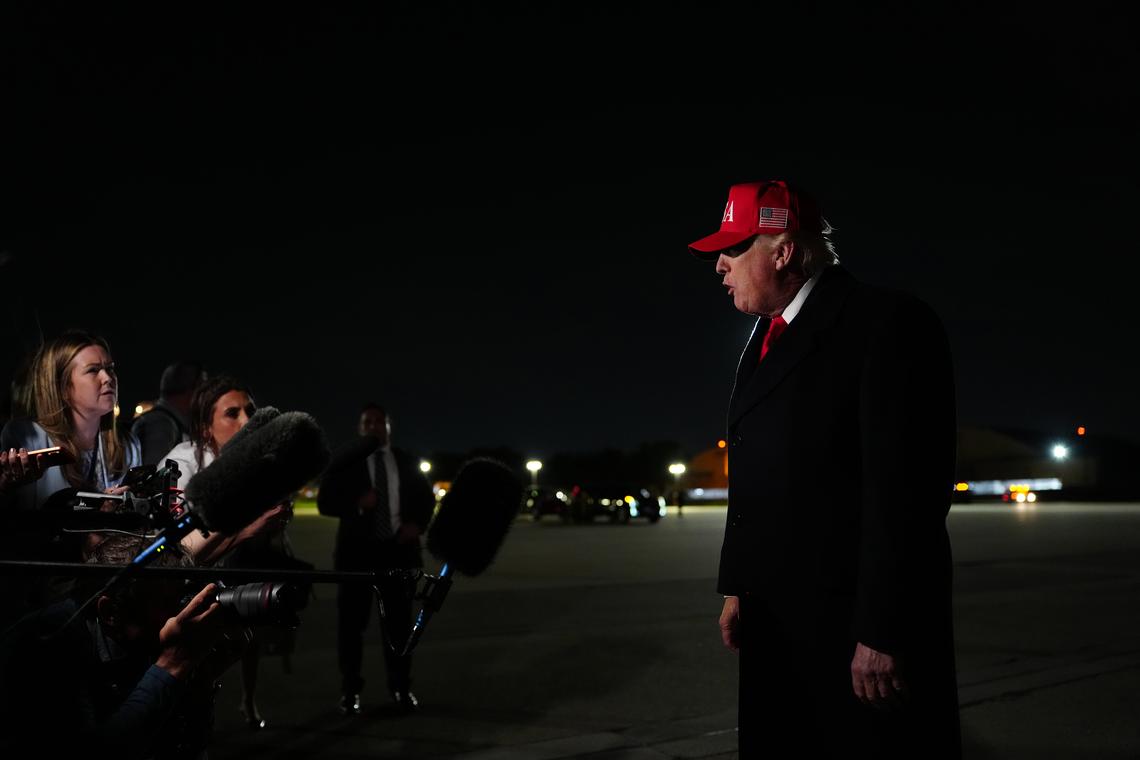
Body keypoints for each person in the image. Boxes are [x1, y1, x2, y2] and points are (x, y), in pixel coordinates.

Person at [688, 180, 960, 758]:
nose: (720, 266)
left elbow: (907, 493)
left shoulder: (885, 323)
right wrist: (738, 586)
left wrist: (884, 629)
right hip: (776, 619)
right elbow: (760, 475)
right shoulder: (763, 338)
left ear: (782, 251)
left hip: (850, 628)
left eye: (734, 250)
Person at [0, 533, 244, 759]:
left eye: (180, 598)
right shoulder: (47, 647)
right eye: (167, 602)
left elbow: (175, 746)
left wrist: (201, 682)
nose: (178, 615)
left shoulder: (137, 637)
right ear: (110, 612)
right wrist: (172, 665)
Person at [158, 374, 296, 730]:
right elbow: (179, 554)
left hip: (230, 578)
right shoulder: (182, 464)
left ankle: (243, 702)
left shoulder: (254, 465)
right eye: (231, 414)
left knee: (240, 648)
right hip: (173, 598)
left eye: (250, 411)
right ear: (205, 427)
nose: (247, 422)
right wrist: (249, 525)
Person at [0, 330, 142, 625]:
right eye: (93, 370)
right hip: (41, 591)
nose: (108, 378)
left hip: (106, 585)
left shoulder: (127, 446)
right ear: (64, 387)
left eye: (111, 369)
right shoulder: (29, 437)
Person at [318, 402, 434, 715]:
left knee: (398, 627)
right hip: (356, 556)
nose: (373, 426)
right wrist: (357, 503)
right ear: (360, 428)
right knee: (351, 628)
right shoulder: (346, 462)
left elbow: (427, 499)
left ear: (388, 428)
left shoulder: (405, 460)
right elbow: (324, 502)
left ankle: (401, 687)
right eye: (367, 422)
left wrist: (416, 525)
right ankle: (350, 691)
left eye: (378, 422)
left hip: (397, 554)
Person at [132, 360, 206, 467]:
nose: (207, 397)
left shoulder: (167, 422)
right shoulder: (160, 425)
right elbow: (155, 474)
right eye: (203, 389)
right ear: (192, 390)